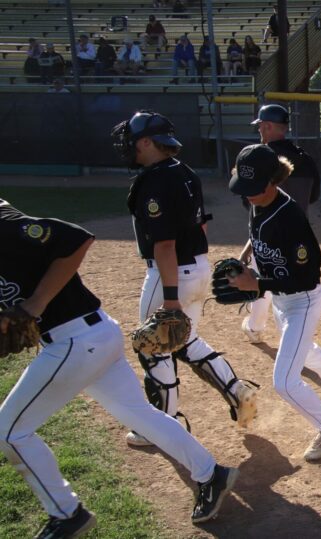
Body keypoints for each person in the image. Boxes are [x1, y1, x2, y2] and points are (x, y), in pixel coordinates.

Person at [0, 199, 239, 537]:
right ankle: (210, 473)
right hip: (94, 337)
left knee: (9, 431)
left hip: (75, 342)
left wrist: (36, 303)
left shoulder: (6, 227)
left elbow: (76, 238)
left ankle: (67, 513)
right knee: (140, 414)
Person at [111, 111, 259, 447]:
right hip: (197, 267)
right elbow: (199, 225)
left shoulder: (154, 180)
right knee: (183, 341)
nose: (129, 147)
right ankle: (237, 390)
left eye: (134, 141)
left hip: (171, 272)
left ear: (148, 142)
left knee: (152, 348)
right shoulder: (185, 171)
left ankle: (164, 425)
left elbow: (164, 244)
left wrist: (171, 298)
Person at [228, 144, 321, 461]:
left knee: (284, 381)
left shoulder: (290, 218)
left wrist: (256, 283)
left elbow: (307, 276)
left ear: (273, 182)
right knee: (303, 350)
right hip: (282, 301)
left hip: (303, 300)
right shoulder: (258, 201)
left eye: (254, 189)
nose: (249, 196)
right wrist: (245, 256)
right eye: (244, 190)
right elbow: (255, 231)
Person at [240, 104, 321, 344]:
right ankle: (269, 328)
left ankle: (256, 327)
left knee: (264, 278)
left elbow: (251, 202)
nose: (259, 132)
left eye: (260, 127)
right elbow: (314, 196)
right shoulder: (305, 159)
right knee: (289, 281)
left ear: (267, 126)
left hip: (268, 231)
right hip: (300, 233)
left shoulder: (260, 159)